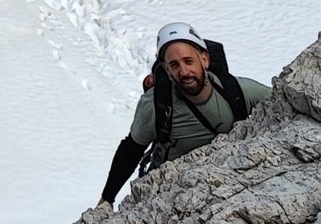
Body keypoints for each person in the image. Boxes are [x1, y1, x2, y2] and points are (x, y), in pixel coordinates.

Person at [98, 21, 271, 206]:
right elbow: (131, 150)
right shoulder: (156, 104)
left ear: (204, 59)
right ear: (166, 69)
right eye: (174, 65)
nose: (184, 72)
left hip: (228, 186)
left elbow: (284, 100)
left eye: (189, 61)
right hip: (165, 194)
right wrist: (106, 199)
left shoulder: (237, 91)